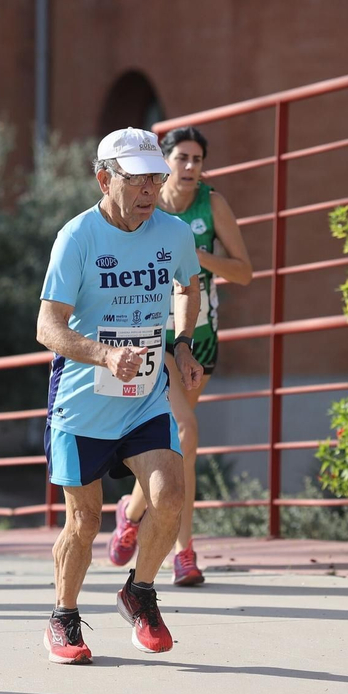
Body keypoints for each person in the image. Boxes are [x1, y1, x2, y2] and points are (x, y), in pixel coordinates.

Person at [36, 128, 204, 664]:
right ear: (105, 178)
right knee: (84, 521)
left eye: (156, 177)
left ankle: (141, 592)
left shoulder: (174, 234)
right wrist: (105, 355)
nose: (150, 190)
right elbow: (47, 327)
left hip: (143, 396)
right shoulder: (77, 237)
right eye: (137, 180)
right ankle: (63, 616)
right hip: (83, 401)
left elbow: (189, 286)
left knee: (169, 494)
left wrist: (181, 343)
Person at [108, 126, 252, 587]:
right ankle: (183, 552)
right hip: (154, 338)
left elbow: (244, 271)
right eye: (181, 158)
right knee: (185, 432)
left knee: (174, 441)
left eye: (197, 159)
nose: (190, 167)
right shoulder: (148, 207)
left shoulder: (213, 204)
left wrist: (196, 256)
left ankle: (131, 512)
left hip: (200, 338)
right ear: (163, 162)